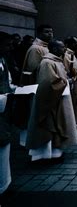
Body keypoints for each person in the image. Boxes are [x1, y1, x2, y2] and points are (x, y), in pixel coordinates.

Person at [26, 40, 77, 163]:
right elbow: (48, 83)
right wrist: (66, 82)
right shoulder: (47, 62)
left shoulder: (56, 61)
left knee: (57, 125)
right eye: (62, 47)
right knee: (49, 126)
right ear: (54, 49)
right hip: (50, 101)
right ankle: (44, 155)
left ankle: (55, 153)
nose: (64, 49)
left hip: (58, 99)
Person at [17, 24, 53, 147]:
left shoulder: (46, 47)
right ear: (39, 33)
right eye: (47, 32)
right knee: (32, 114)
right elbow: (33, 68)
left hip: (44, 86)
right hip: (36, 86)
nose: (50, 34)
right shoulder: (35, 49)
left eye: (51, 32)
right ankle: (26, 141)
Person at [0, 32, 15, 194]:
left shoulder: (3, 60)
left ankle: (4, 183)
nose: (11, 48)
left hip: (4, 111)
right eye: (8, 45)